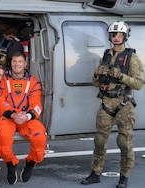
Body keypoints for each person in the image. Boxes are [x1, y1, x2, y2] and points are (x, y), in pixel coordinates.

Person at [81, 21, 143, 188]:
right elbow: (96, 83)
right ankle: (95, 173)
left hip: (124, 103)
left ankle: (124, 177)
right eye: (113, 35)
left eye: (120, 35)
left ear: (125, 37)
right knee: (99, 140)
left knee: (124, 142)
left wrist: (121, 76)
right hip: (106, 102)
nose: (116, 38)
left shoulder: (132, 57)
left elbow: (138, 83)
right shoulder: (106, 56)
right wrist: (97, 73)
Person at [0, 51, 47, 185]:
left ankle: (31, 162)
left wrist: (27, 116)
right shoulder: (3, 81)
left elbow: (37, 105)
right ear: (11, 63)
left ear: (25, 64)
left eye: (20, 62)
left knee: (40, 137)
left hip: (26, 118)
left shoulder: (33, 83)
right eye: (14, 61)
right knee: (4, 140)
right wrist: (12, 114)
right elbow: (0, 101)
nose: (17, 64)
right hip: (8, 118)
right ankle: (10, 164)